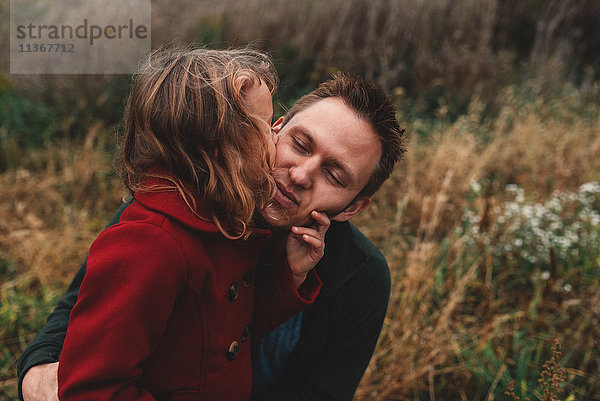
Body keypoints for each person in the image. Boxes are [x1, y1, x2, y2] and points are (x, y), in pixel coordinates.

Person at [18, 70, 406, 401]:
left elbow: (318, 393)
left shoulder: (360, 276)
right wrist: (38, 375)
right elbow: (76, 312)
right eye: (299, 144)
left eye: (335, 175)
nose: (302, 174)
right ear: (273, 131)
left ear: (354, 207)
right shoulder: (177, 202)